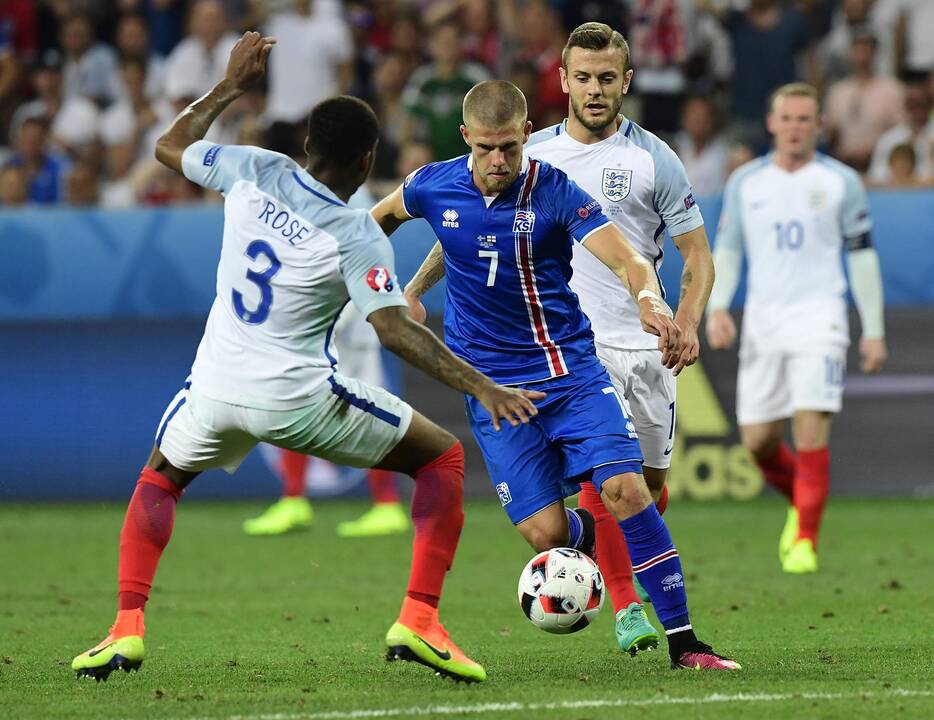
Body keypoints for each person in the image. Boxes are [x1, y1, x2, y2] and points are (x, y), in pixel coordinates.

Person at [71, 32, 543, 685]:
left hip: (211, 387)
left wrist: (230, 87)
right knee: (442, 456)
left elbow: (168, 146)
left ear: (306, 147)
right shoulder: (355, 233)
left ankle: (125, 630)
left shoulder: (252, 167)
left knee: (159, 478)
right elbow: (395, 332)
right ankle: (420, 620)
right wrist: (482, 386)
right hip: (295, 398)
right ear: (366, 160)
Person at [376, 79, 739, 671]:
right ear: (466, 138)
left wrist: (650, 298)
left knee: (628, 490)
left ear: (525, 136)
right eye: (487, 148)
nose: (499, 161)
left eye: (510, 148)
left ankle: (686, 644)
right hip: (493, 391)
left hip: (568, 371)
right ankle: (604, 542)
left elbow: (626, 257)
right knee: (547, 536)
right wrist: (399, 290)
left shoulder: (555, 191)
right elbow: (378, 223)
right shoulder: (431, 183)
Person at [522, 22, 715, 656]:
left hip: (645, 344)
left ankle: (590, 553)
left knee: (649, 489)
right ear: (564, 81)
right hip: (571, 346)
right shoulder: (535, 159)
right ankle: (630, 611)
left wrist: (685, 320)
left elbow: (697, 257)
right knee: (612, 481)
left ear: (626, 81)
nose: (595, 90)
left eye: (608, 78)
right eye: (584, 78)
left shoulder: (654, 158)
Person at [706, 82, 887, 575]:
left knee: (810, 428)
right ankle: (801, 503)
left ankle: (806, 538)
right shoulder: (746, 182)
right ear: (771, 123)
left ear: (818, 126)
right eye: (787, 118)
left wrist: (873, 329)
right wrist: (718, 306)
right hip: (764, 320)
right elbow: (731, 249)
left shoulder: (841, 182)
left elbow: (862, 254)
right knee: (758, 441)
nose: (795, 127)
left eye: (805, 119)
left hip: (820, 317)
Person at [244, 304, 410, 538]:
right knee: (300, 401)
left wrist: (332, 319)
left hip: (343, 330)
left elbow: (360, 272)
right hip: (343, 327)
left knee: (350, 408)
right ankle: (294, 501)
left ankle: (387, 505)